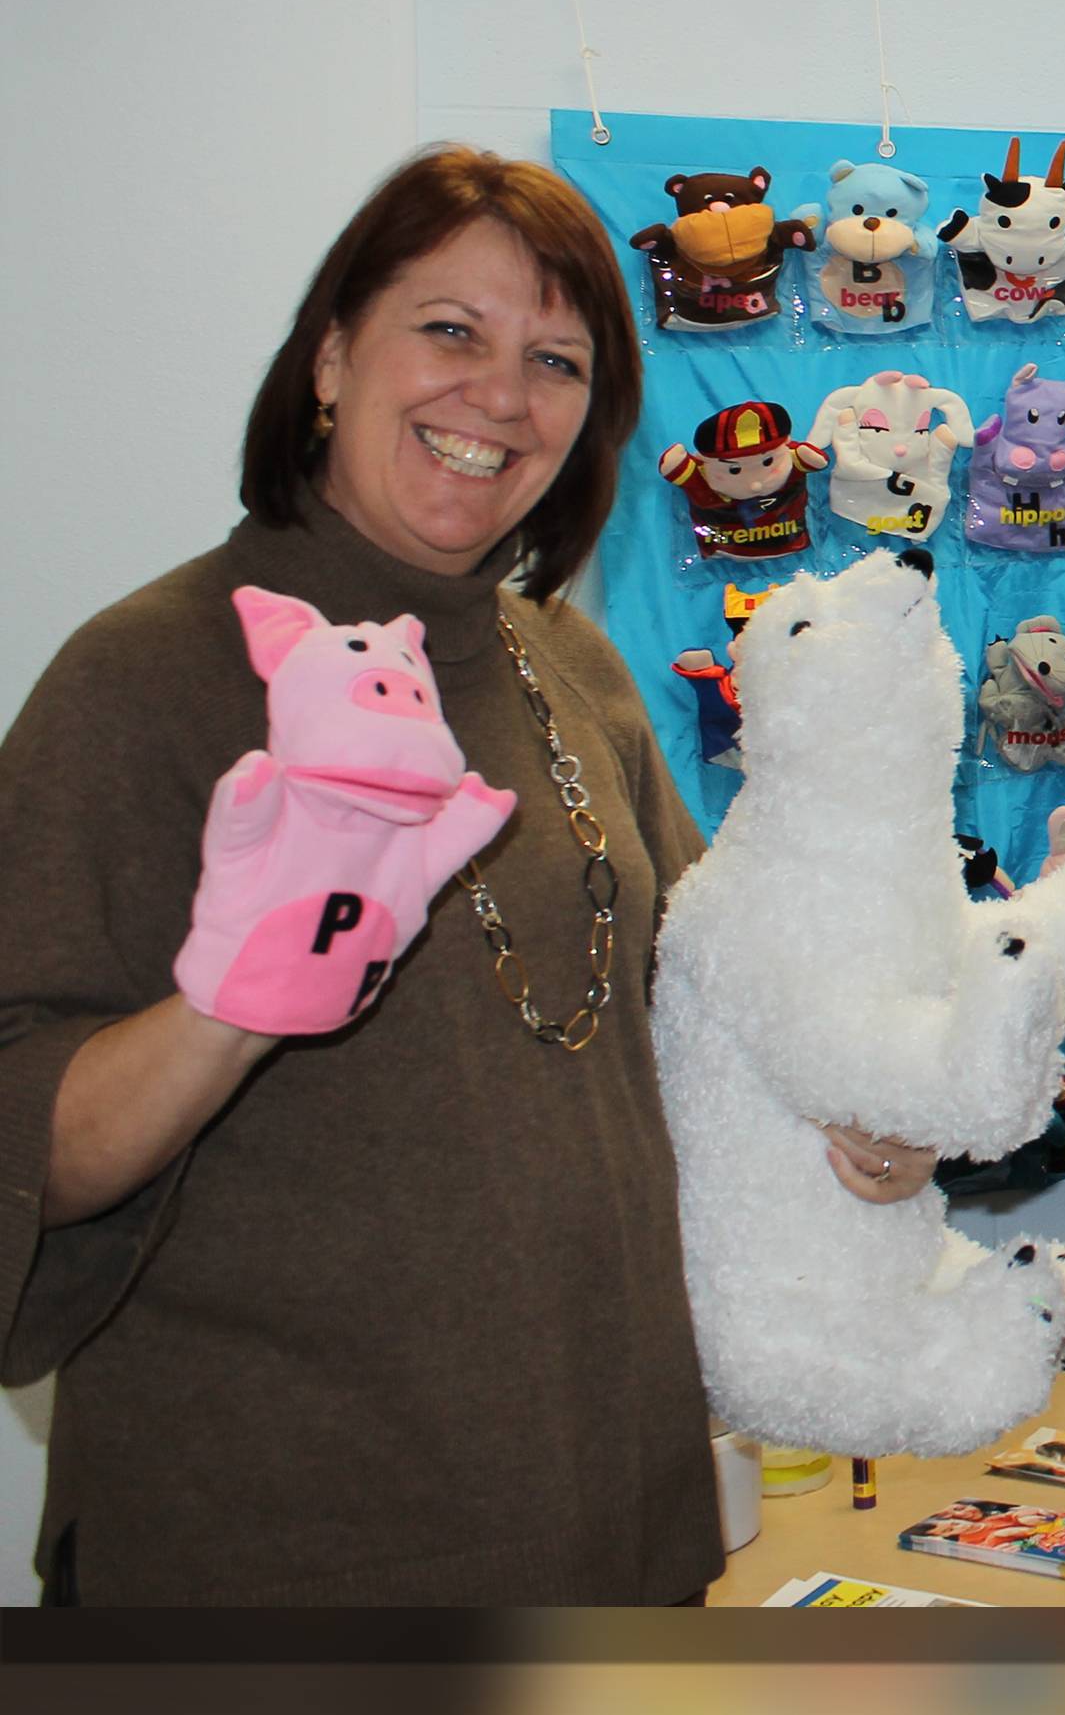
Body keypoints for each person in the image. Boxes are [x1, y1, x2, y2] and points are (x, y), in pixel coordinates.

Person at [0, 147, 927, 1605]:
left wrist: (875, 1099)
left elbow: (717, 993)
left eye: (554, 358)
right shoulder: (145, 677)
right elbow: (29, 1140)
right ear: (328, 358)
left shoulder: (567, 661)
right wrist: (230, 1003)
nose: (500, 394)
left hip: (607, 1501)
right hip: (287, 1554)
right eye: (450, 330)